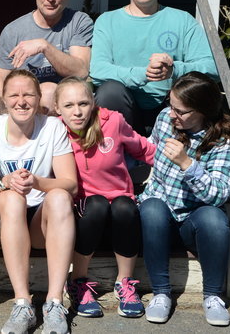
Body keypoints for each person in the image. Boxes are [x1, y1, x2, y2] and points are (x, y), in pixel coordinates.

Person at [139, 72, 230, 326]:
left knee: (214, 218)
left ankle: (213, 297)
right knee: (152, 208)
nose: (172, 114)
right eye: (171, 105)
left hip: (192, 223)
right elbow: (148, 149)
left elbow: (219, 194)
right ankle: (161, 293)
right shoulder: (165, 120)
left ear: (203, 111)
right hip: (158, 216)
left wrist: (187, 164)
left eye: (181, 111)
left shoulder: (224, 141)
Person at [0, 69, 78, 334]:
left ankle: (54, 302)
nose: (21, 101)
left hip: (41, 222)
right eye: (14, 95)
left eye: (28, 95)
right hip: (7, 215)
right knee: (12, 197)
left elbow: (70, 183)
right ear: (4, 99)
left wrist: (36, 182)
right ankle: (22, 303)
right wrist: (5, 181)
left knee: (60, 196)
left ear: (38, 98)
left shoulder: (52, 126)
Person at [53, 77, 156, 319]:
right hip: (85, 211)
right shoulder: (55, 130)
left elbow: (144, 149)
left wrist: (181, 163)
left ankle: (125, 282)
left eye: (83, 103)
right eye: (68, 105)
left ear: (93, 102)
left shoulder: (113, 122)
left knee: (124, 206)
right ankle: (78, 281)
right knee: (97, 204)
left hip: (120, 207)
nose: (77, 112)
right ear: (57, 108)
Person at [90, 0, 218, 134]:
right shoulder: (107, 21)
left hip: (172, 109)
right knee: (110, 92)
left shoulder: (182, 20)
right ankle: (119, 149)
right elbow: (98, 70)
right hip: (125, 109)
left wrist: (174, 70)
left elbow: (213, 68)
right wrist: (144, 74)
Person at [0, 0, 93, 114]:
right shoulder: (13, 31)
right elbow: (3, 87)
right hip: (24, 107)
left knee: (48, 91)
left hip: (70, 107)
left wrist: (44, 46)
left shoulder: (79, 22)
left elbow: (81, 72)